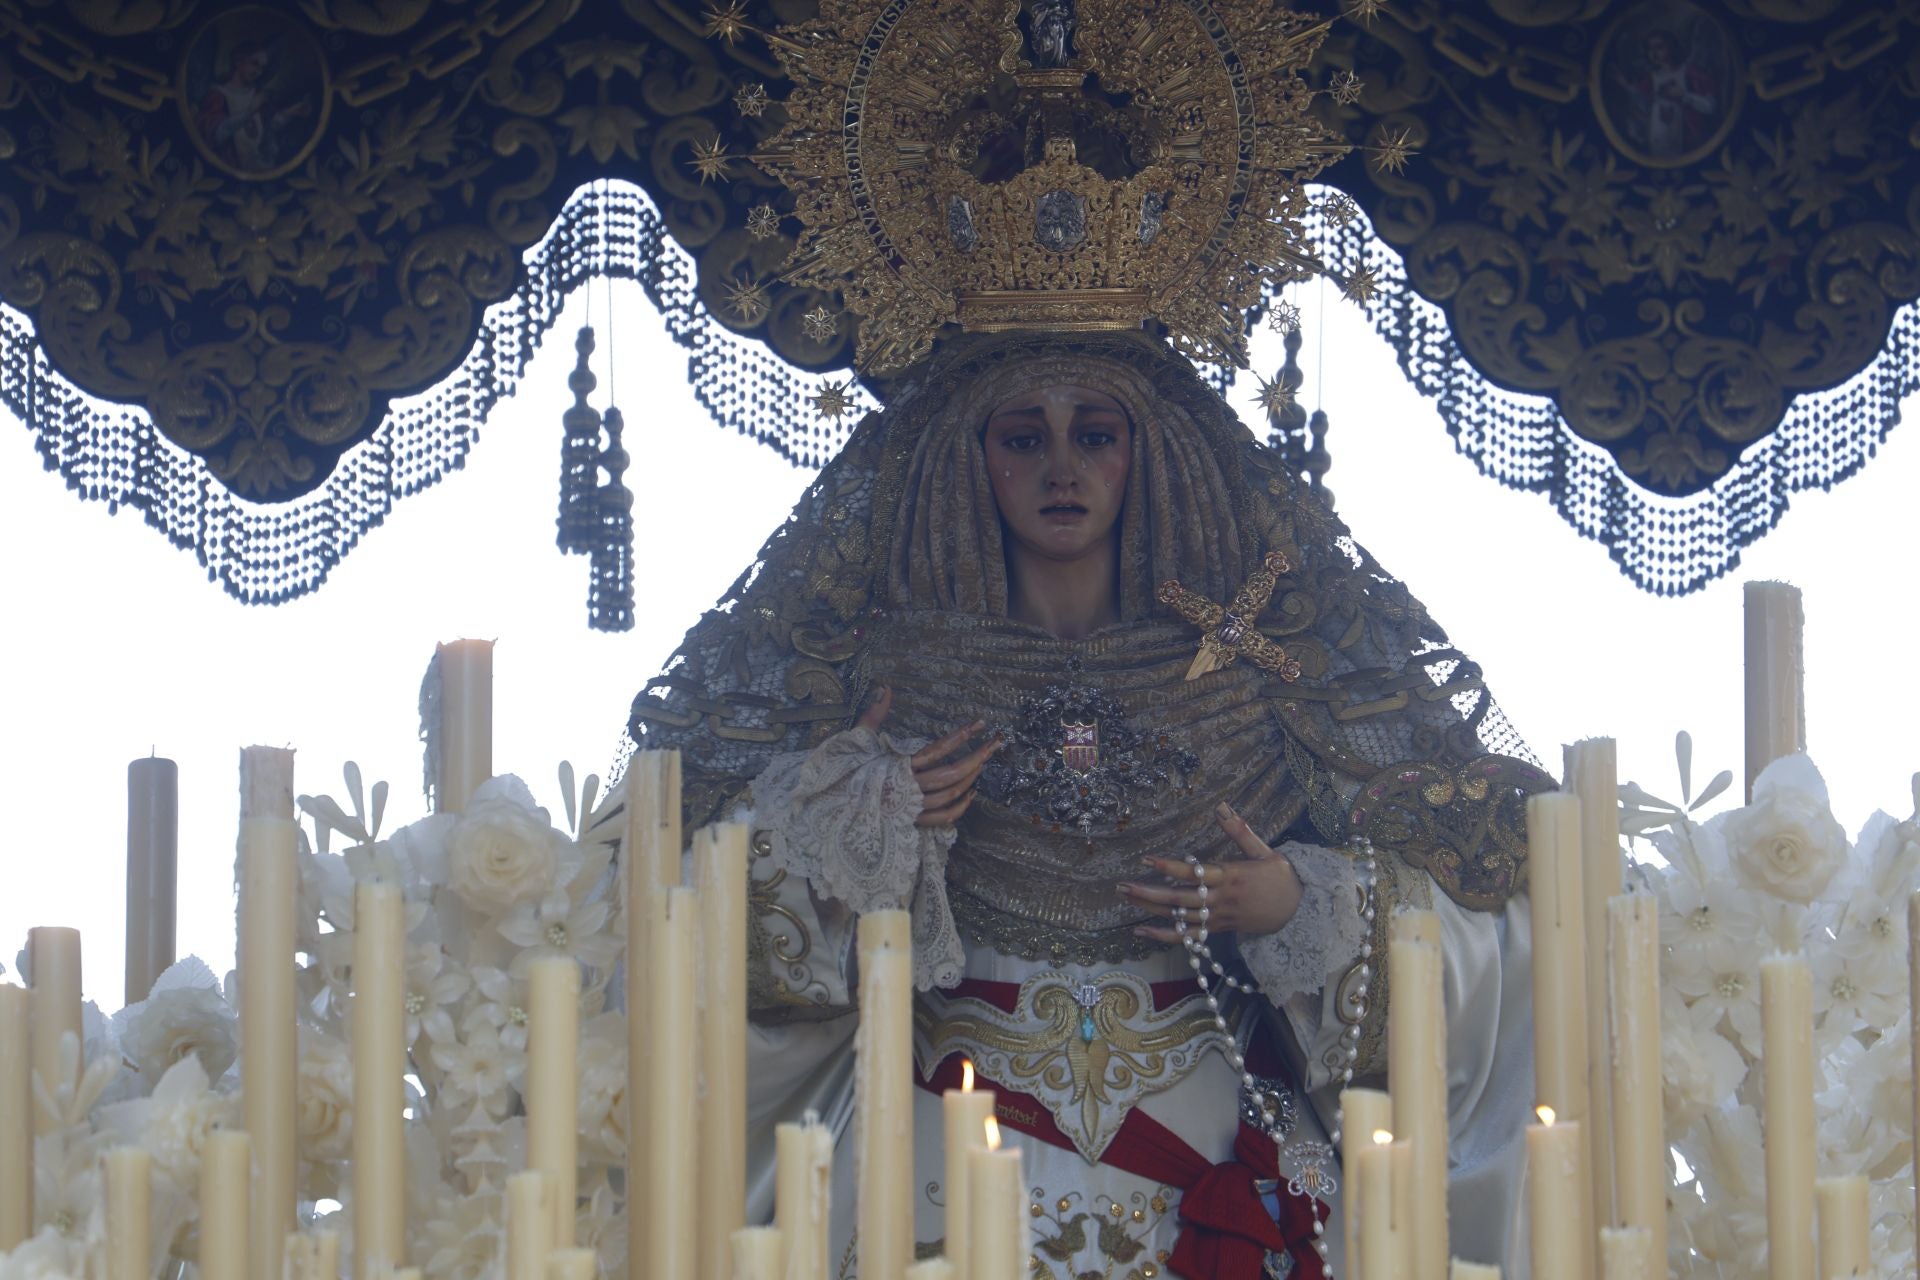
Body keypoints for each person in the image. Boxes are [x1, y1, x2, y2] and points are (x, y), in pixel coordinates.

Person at [606, 326, 1549, 1278]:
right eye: (1024, 438)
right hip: (944, 1140)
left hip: (1218, 1150)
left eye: (1095, 435)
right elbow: (688, 906)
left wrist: (1302, 907)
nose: (1063, 468)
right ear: (967, 461)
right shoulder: (882, 693)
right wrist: (860, 833)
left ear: (1152, 455)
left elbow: (1487, 911)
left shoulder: (1258, 694)